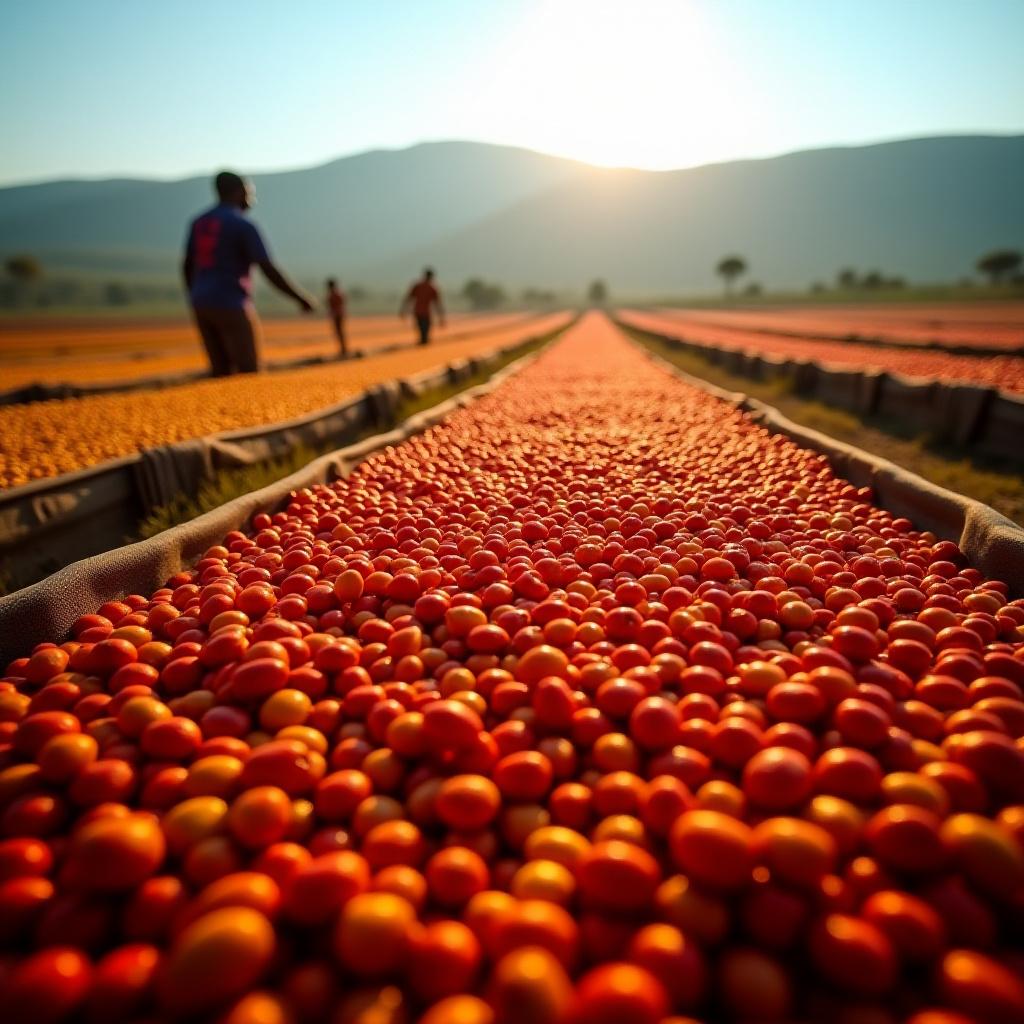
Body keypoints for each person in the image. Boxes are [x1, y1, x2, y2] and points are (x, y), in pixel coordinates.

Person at [183, 170, 314, 377]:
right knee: (248, 371)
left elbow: (187, 265)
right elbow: (267, 268)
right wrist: (300, 298)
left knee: (220, 371)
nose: (251, 198)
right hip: (231, 302)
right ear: (238, 192)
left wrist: (194, 295)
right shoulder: (242, 225)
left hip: (201, 303)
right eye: (248, 192)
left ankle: (222, 408)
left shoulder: (199, 222)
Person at [400, 267, 445, 346]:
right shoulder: (432, 288)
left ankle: (422, 343)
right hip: (425, 313)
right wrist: (441, 317)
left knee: (421, 331)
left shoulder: (417, 286)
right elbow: (438, 304)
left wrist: (403, 310)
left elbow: (408, 299)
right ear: (431, 277)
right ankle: (423, 345)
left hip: (417, 312)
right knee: (425, 332)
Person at [326, 278, 348, 357]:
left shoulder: (334, 294)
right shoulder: (338, 293)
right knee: (339, 332)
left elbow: (332, 304)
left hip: (337, 314)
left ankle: (344, 350)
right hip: (339, 313)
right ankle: (343, 349)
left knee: (339, 331)